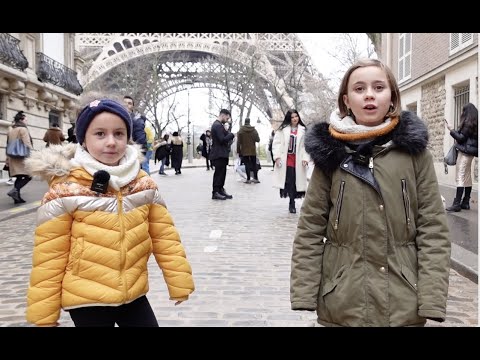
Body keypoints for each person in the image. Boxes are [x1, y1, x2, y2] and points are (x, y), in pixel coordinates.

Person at [290, 58, 451, 327]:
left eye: (378, 87)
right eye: (359, 88)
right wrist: (305, 293)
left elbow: (433, 228)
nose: (369, 95)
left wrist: (431, 298)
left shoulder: (415, 154)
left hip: (402, 303)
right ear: (346, 100)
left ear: (392, 98)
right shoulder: (330, 156)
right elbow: (310, 229)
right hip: (342, 303)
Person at [24, 98, 195, 327]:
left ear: (128, 137)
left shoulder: (142, 183)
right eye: (100, 134)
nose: (111, 142)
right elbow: (49, 255)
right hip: (87, 299)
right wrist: (44, 313)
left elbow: (165, 237)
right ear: (83, 138)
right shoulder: (65, 189)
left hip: (133, 295)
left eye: (119, 133)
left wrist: (179, 281)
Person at [272, 109, 309, 213]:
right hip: (286, 159)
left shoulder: (304, 130)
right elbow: (276, 143)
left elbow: (306, 146)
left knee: (295, 181)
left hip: (298, 159)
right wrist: (277, 157)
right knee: (289, 180)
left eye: (296, 116)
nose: (294, 119)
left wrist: (306, 158)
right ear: (289, 118)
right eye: (292, 117)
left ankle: (292, 202)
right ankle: (291, 202)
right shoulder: (282, 130)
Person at [444, 103, 478, 211]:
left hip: (464, 153)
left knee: (460, 176)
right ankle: (466, 202)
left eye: (463, 111)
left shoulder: (468, 124)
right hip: (471, 153)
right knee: (467, 177)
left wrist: (451, 129)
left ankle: (457, 204)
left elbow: (461, 138)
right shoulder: (475, 123)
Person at [5, 111, 34, 204]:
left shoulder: (11, 129)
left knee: (19, 176)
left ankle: (17, 198)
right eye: (26, 119)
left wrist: (7, 159)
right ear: (21, 120)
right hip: (22, 156)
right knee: (29, 175)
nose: (27, 121)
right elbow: (27, 143)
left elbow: (8, 144)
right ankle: (15, 190)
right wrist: (33, 154)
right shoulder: (23, 129)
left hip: (13, 156)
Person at [209, 109, 234, 200]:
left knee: (222, 173)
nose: (227, 120)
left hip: (221, 153)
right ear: (223, 115)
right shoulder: (217, 125)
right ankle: (215, 192)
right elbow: (222, 139)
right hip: (218, 153)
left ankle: (220, 190)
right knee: (219, 173)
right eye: (227, 118)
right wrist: (231, 135)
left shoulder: (219, 125)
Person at [123, 95, 148, 172]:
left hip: (130, 155)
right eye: (125, 103)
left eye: (129, 103)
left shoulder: (136, 120)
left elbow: (141, 139)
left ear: (132, 106)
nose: (127, 104)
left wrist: (137, 155)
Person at [237, 118, 260, 184]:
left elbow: (239, 142)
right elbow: (258, 139)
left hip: (244, 150)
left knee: (247, 164)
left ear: (245, 122)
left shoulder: (241, 130)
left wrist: (239, 151)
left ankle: (248, 179)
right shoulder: (254, 130)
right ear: (249, 122)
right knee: (254, 164)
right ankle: (256, 178)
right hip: (252, 150)